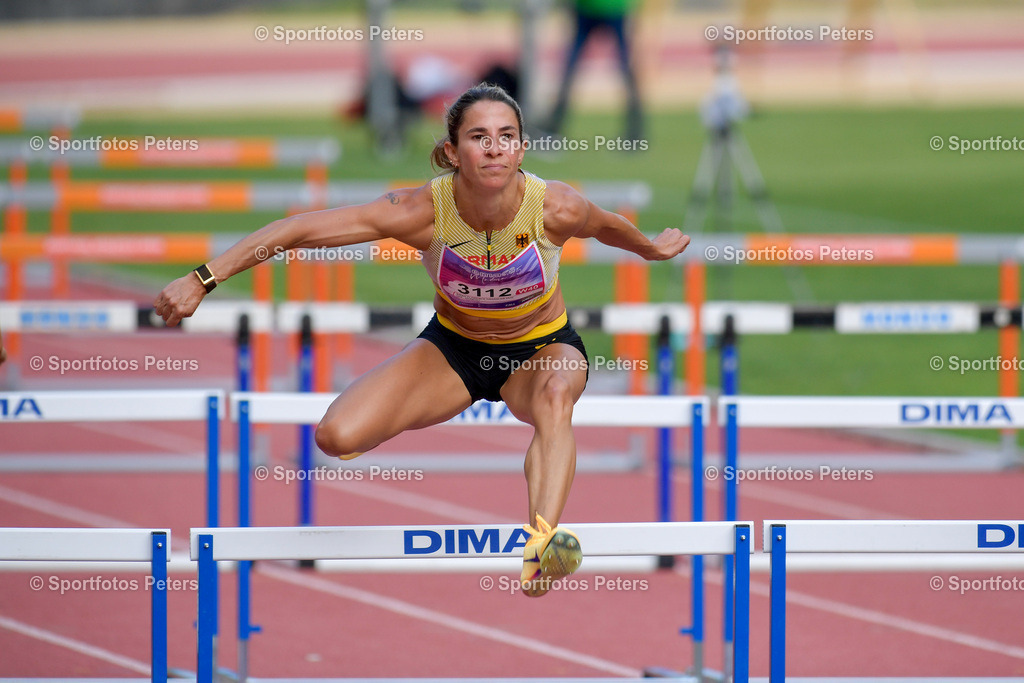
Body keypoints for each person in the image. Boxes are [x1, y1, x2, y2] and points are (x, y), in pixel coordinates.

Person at [154, 83, 689, 597]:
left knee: (555, 398)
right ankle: (417, 417)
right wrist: (203, 279)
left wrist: (650, 248)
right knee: (336, 436)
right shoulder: (419, 212)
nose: (495, 148)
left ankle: (542, 544)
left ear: (523, 146)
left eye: (507, 135)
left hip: (541, 349)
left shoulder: (556, 207)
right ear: (453, 152)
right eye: (479, 137)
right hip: (454, 350)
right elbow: (298, 230)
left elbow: (608, 226)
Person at [544, 0, 644, 142]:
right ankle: (552, 130)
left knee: (626, 70)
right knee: (569, 71)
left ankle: (635, 134)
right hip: (591, 9)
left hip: (611, 9)